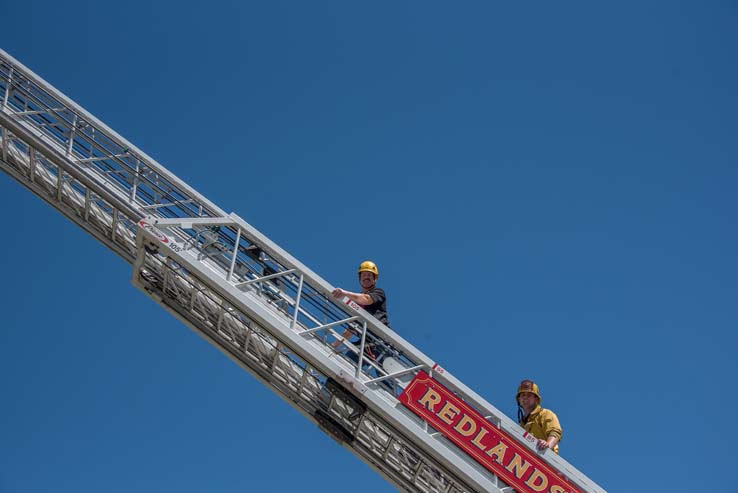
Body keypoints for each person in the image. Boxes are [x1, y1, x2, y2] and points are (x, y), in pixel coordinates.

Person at [331, 260, 390, 361]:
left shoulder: (378, 292)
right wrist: (334, 345)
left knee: (387, 370)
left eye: (369, 275)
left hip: (382, 341)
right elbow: (351, 329)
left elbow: (366, 299)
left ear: (375, 279)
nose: (366, 277)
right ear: (360, 278)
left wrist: (344, 293)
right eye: (363, 275)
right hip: (366, 343)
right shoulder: (357, 304)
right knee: (346, 364)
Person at [516, 379, 562, 454]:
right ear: (519, 399)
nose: (525, 397)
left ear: (536, 399)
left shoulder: (545, 414)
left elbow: (555, 433)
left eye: (529, 395)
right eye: (523, 395)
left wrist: (548, 445)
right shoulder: (522, 424)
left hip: (546, 460)